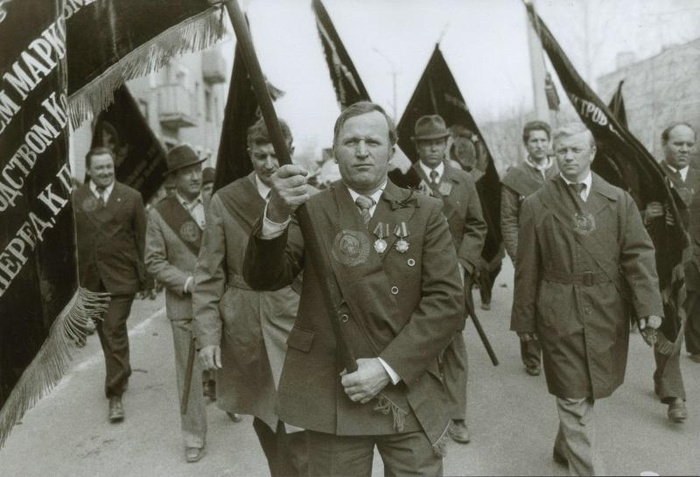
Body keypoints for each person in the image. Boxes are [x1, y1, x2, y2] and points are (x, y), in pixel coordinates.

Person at [243, 102, 464, 477]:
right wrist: (276, 214)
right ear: (336, 149)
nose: (362, 151)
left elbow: (447, 304)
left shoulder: (425, 211)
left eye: (373, 142)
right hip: (334, 386)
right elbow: (264, 278)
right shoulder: (309, 210)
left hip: (406, 382)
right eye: (351, 142)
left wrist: (386, 368)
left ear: (391, 150)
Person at [511, 122, 663, 476]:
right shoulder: (536, 203)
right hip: (558, 309)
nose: (568, 157)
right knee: (573, 393)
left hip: (606, 308)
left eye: (576, 150)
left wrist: (649, 306)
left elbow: (638, 255)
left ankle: (565, 445)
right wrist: (524, 320)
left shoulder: (619, 200)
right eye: (561, 150)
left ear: (592, 153)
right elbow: (527, 267)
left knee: (587, 386)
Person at [194, 118, 308, 477]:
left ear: (289, 150)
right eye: (261, 156)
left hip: (294, 318)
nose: (269, 164)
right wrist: (208, 336)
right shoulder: (225, 200)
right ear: (249, 153)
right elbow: (209, 274)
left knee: (301, 421)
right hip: (244, 324)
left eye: (276, 155)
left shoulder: (307, 196)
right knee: (264, 415)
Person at [410, 114, 487, 444]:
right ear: (417, 146)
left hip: (454, 277)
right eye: (426, 143)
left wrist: (463, 263)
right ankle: (421, 412)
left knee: (453, 343)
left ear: (447, 144)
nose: (432, 149)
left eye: (438, 142)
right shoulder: (403, 178)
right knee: (415, 341)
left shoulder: (463, 180)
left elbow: (477, 226)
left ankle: (456, 415)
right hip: (412, 275)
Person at [72, 146, 147, 423]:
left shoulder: (131, 197)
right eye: (99, 167)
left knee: (112, 328)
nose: (105, 172)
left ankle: (115, 394)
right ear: (88, 170)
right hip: (91, 280)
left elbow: (143, 239)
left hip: (122, 278)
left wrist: (147, 278)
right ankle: (122, 371)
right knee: (107, 333)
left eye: (109, 167)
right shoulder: (76, 199)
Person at [144, 145, 209, 463]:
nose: (195, 176)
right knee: (189, 373)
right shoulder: (159, 213)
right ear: (174, 178)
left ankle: (228, 399)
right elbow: (153, 261)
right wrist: (186, 282)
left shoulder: (215, 203)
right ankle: (194, 436)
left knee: (228, 358)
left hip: (220, 300)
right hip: (184, 304)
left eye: (197, 169)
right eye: (187, 172)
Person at [643, 122, 698, 422]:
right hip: (665, 269)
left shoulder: (699, 176)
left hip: (696, 265)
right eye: (678, 144)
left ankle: (662, 376)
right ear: (664, 144)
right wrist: (645, 214)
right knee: (670, 327)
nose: (685, 149)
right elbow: (627, 216)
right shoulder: (651, 177)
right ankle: (675, 396)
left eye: (689, 144)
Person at [501, 120, 559, 377]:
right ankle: (532, 356)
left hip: (559, 249)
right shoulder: (515, 177)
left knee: (558, 302)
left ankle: (557, 353)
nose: (539, 145)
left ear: (549, 142)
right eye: (534, 140)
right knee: (528, 301)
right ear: (526, 144)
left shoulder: (561, 171)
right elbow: (508, 219)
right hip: (528, 250)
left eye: (543, 140)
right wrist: (517, 255)